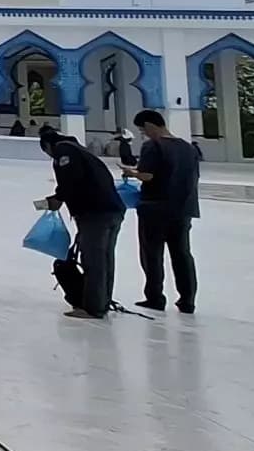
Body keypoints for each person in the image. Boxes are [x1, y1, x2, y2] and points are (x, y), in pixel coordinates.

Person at [42, 129, 124, 319]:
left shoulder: (63, 150)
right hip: (111, 210)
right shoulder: (81, 150)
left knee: (93, 260)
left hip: (94, 212)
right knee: (105, 259)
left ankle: (93, 307)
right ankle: (101, 301)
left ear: (47, 146)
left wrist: (58, 198)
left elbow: (71, 178)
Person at [126, 110, 201, 313]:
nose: (144, 134)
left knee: (152, 254)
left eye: (143, 129)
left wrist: (131, 173)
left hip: (155, 208)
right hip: (183, 209)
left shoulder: (153, 145)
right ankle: (187, 300)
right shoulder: (188, 148)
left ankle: (155, 297)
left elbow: (147, 175)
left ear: (151, 125)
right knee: (182, 254)